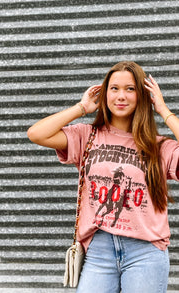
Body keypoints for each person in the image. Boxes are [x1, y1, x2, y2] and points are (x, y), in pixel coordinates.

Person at [27, 61, 179, 293]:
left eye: (130, 89)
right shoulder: (86, 136)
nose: (121, 96)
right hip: (100, 248)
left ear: (143, 94)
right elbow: (36, 133)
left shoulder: (160, 147)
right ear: (104, 93)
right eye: (114, 88)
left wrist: (163, 110)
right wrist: (81, 107)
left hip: (145, 251)